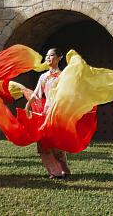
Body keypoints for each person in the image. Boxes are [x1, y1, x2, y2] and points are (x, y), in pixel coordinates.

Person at [25, 48, 70, 179]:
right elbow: (36, 93)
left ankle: (64, 170)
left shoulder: (64, 76)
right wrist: (28, 105)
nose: (48, 58)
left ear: (59, 58)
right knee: (43, 143)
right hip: (46, 112)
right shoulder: (43, 76)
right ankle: (56, 172)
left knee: (57, 144)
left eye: (51, 56)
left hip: (59, 113)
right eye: (47, 56)